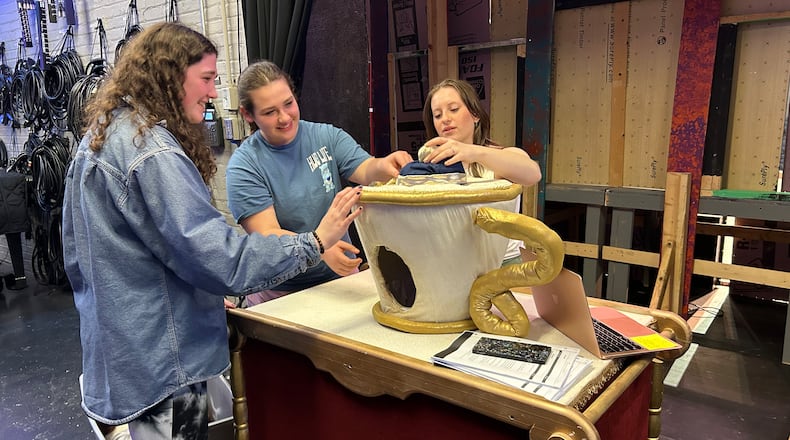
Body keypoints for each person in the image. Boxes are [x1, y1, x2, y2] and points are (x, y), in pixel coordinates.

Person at [62, 22, 363, 440]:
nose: (212, 94)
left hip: (127, 352)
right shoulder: (151, 152)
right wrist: (315, 241)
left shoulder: (102, 138)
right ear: (169, 74)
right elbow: (221, 258)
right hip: (164, 362)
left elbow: (79, 259)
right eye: (205, 79)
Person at [225, 60, 413, 306]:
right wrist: (319, 246)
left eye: (289, 104)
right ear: (248, 114)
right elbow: (267, 234)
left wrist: (384, 165)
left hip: (340, 279)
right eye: (270, 112)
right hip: (281, 292)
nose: (284, 118)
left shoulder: (325, 136)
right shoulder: (245, 165)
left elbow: (365, 168)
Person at [420, 78, 542, 265]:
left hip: (503, 265)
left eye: (453, 109)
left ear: (475, 114)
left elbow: (532, 174)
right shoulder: (431, 167)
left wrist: (473, 151)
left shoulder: (501, 157)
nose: (445, 118)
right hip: (452, 264)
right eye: (437, 115)